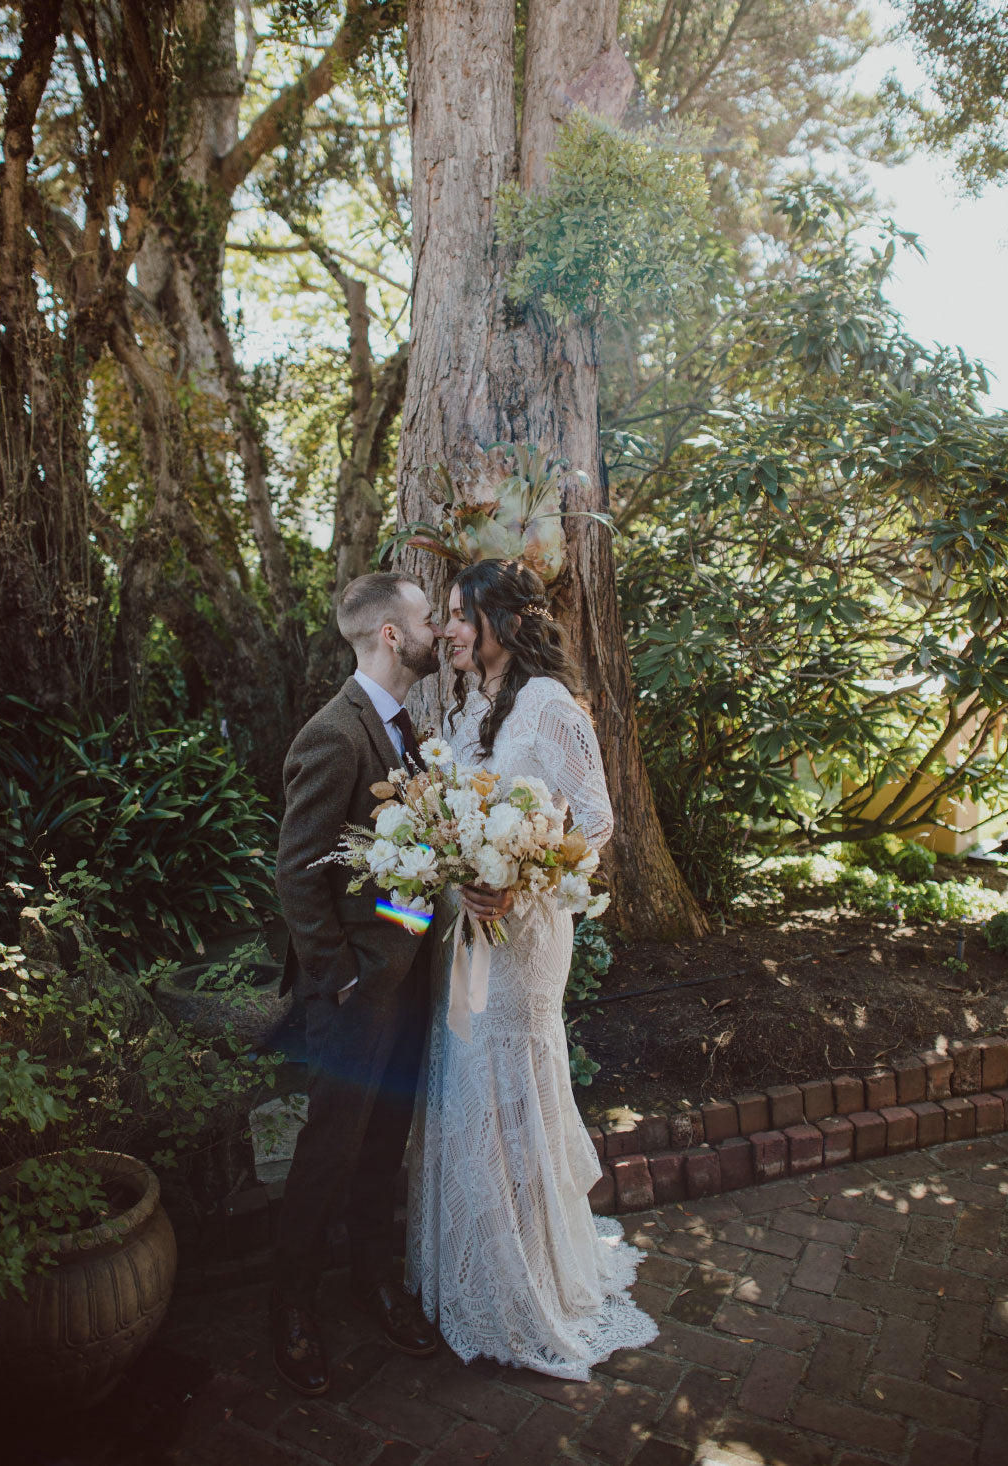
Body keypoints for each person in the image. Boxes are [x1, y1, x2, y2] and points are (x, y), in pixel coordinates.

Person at [405, 557, 658, 1379]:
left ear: (500, 622)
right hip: (467, 932)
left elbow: (596, 819)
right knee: (469, 1074)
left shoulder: (550, 707)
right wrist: (457, 872)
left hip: (526, 937)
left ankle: (535, 1277)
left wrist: (516, 879)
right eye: (442, 615)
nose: (445, 629)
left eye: (455, 615)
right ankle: (480, 1264)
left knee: (510, 1080)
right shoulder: (470, 706)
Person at [272, 571, 442, 1395]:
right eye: (424, 617)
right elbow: (297, 873)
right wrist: (340, 977)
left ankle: (371, 1278)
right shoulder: (333, 735)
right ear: (388, 635)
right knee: (331, 1147)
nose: (436, 628)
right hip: (354, 988)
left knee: (385, 1140)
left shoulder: (412, 729)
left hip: (408, 973)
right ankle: (292, 1304)